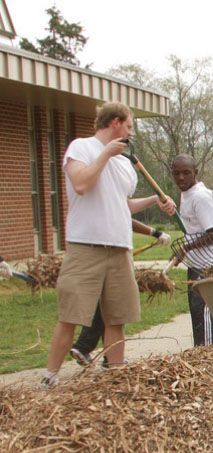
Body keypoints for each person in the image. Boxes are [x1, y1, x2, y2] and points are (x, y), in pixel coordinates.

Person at [41, 102, 176, 388]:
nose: (131, 133)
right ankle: (49, 377)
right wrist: (105, 154)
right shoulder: (82, 148)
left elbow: (123, 205)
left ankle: (116, 376)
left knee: (117, 318)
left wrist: (154, 200)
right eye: (129, 127)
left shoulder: (125, 165)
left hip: (119, 249)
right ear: (115, 123)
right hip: (85, 247)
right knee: (70, 316)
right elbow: (81, 184)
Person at [69, 220, 171, 366]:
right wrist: (155, 232)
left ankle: (98, 353)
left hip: (103, 253)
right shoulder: (108, 203)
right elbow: (125, 214)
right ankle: (90, 349)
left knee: (108, 308)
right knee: (114, 310)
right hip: (110, 255)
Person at [171, 154, 213, 346]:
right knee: (199, 317)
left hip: (212, 266)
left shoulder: (200, 197)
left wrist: (186, 247)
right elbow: (194, 229)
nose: (181, 178)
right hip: (197, 265)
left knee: (208, 318)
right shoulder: (187, 193)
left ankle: (210, 362)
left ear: (195, 173)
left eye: (186, 173)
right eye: (177, 173)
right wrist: (184, 248)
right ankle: (205, 360)